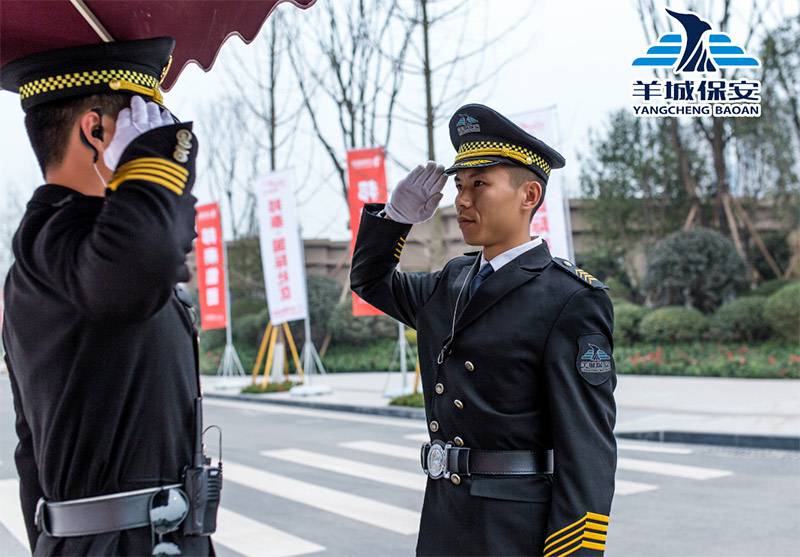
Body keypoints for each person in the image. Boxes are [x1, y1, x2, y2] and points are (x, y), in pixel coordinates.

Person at [351, 103, 617, 556]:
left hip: (514, 531)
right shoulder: (450, 282)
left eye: (480, 184)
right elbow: (370, 282)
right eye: (459, 186)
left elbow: (587, 449)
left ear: (528, 195)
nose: (462, 200)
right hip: (445, 521)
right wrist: (395, 219)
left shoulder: (569, 298)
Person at [0, 37, 213, 555]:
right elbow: (144, 260)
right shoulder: (55, 239)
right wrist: (156, 162)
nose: (156, 134)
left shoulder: (83, 247)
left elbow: (32, 454)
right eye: (140, 122)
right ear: (95, 131)